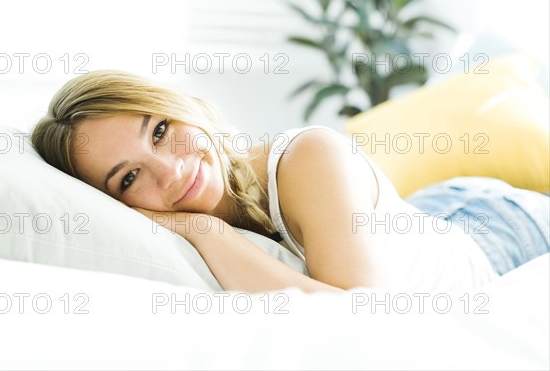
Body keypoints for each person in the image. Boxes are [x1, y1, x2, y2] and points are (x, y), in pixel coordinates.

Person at [31, 70, 550, 293]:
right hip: (411, 219)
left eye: (161, 130)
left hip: (500, 230)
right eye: (129, 177)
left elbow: (357, 314)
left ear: (181, 107)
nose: (172, 169)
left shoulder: (307, 155)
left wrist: (207, 232)